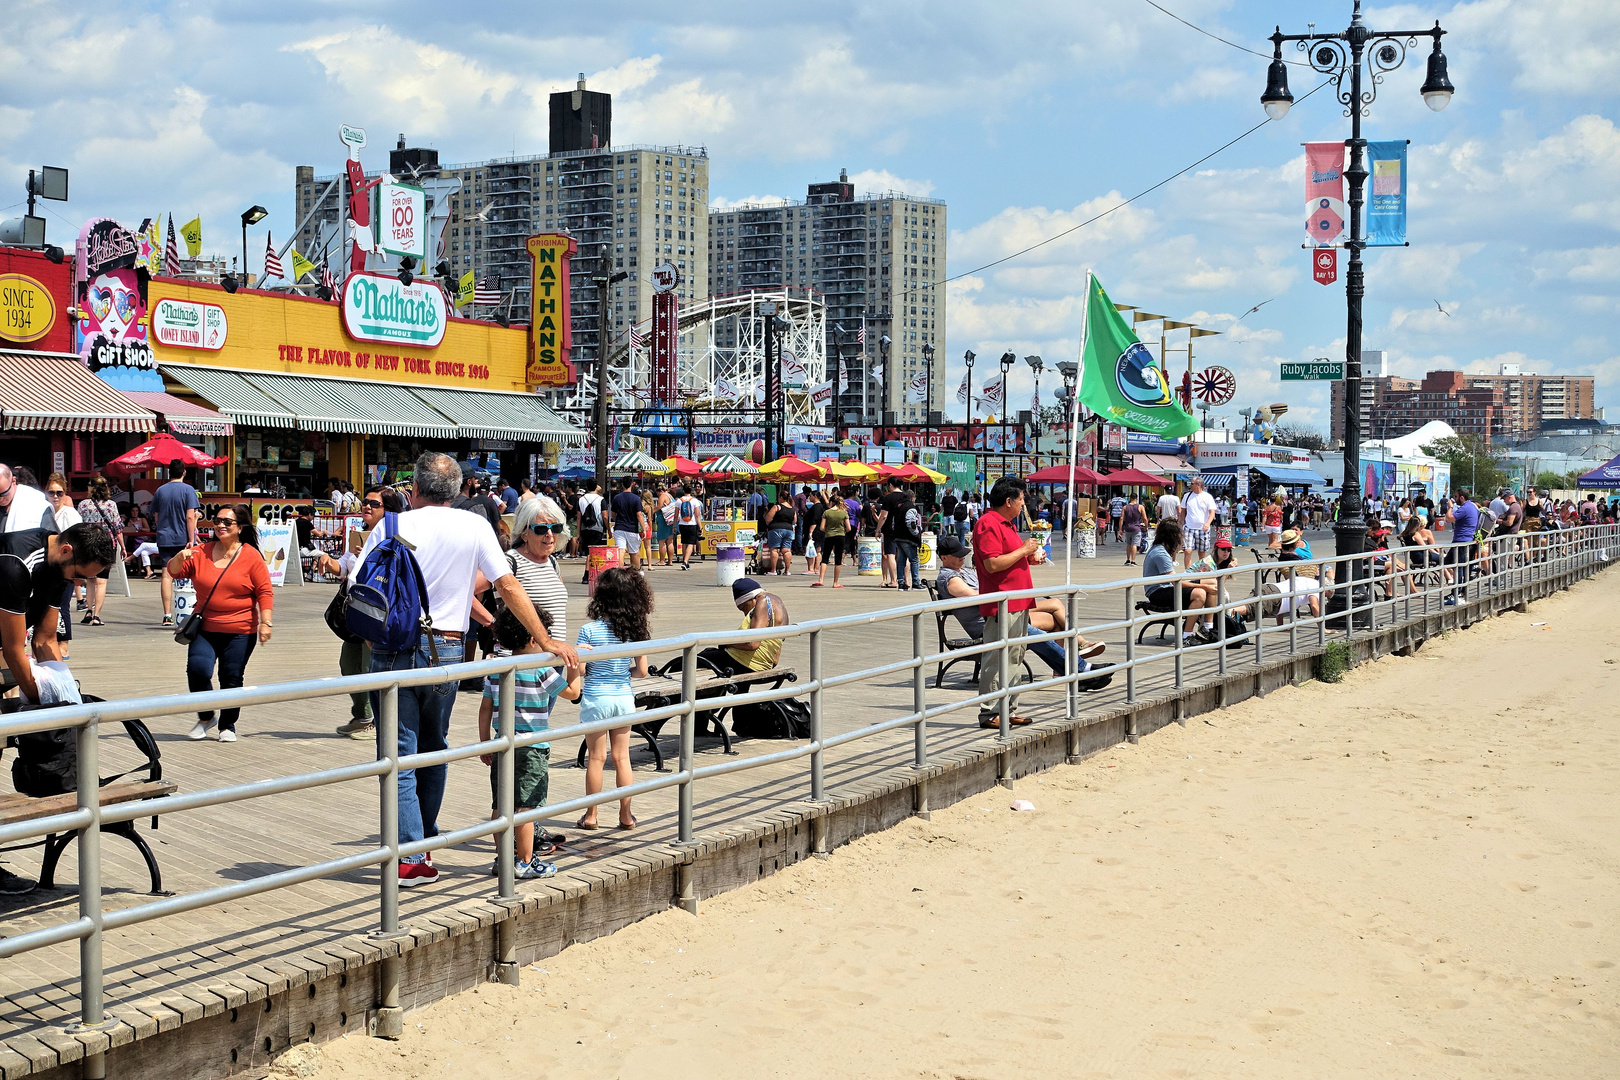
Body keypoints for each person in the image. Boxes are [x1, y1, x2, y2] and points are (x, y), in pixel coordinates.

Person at [359, 452, 577, 888]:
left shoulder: (392, 525)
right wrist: (546, 639)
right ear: (460, 491)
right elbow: (507, 585)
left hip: (394, 647)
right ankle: (425, 836)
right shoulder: (476, 525)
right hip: (448, 646)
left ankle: (411, 857)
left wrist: (370, 637)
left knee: (399, 757)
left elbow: (360, 586)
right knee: (435, 746)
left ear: (414, 489)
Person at [478, 605, 582, 879]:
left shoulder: (497, 668)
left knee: (501, 806)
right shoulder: (540, 669)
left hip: (502, 744)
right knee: (526, 808)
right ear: (534, 638)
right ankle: (524, 861)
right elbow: (572, 693)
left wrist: (484, 742)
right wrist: (574, 666)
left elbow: (485, 709)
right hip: (532, 748)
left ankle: (503, 859)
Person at [935, 535, 1109, 683]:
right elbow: (977, 597)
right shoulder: (949, 578)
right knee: (1045, 627)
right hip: (989, 623)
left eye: (963, 554)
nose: (961, 558)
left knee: (1055, 614)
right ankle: (1080, 666)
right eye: (957, 555)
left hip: (1003, 612)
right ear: (944, 558)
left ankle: (1070, 667)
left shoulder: (966, 572)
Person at [167, 506, 273, 743]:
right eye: (217, 521)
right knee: (197, 670)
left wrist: (266, 622)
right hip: (205, 627)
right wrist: (178, 558)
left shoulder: (251, 556)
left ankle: (228, 725)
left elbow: (265, 591)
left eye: (227, 521)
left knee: (231, 677)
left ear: (240, 527)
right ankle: (206, 717)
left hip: (241, 630)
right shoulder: (200, 551)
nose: (221, 525)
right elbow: (175, 572)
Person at [321, 486, 405, 739]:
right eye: (365, 502)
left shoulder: (398, 535)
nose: (366, 507)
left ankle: (380, 722)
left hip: (379, 613)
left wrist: (374, 555)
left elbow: (406, 563)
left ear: (388, 509)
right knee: (348, 665)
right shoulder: (359, 536)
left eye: (374, 504)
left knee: (373, 667)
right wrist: (328, 561)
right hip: (355, 612)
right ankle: (363, 715)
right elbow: (344, 568)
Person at [574, 567, 652, 831]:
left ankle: (592, 815)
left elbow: (582, 670)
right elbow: (641, 671)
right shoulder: (634, 630)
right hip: (623, 697)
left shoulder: (588, 631)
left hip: (596, 697)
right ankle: (626, 815)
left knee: (596, 758)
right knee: (622, 758)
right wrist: (622, 672)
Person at [971, 477, 1047, 729]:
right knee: (997, 656)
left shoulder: (1006, 524)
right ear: (1008, 501)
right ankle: (990, 711)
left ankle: (1009, 707)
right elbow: (992, 564)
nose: (1024, 505)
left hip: (1018, 600)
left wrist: (1029, 557)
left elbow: (1008, 559)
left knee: (1015, 656)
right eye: (1022, 500)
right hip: (1002, 601)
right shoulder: (988, 524)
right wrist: (1023, 551)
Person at [699, 577, 788, 676]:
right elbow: (776, 658)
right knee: (710, 654)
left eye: (744, 607)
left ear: (753, 598)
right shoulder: (778, 602)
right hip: (764, 664)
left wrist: (726, 643)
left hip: (747, 663)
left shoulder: (762, 602)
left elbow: (752, 644)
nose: (746, 613)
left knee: (693, 660)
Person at [1141, 520, 1211, 644]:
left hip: (1165, 588)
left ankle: (1208, 628)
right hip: (1158, 592)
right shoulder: (1160, 553)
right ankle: (1186, 635)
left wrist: (1205, 584)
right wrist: (1202, 586)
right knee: (1199, 593)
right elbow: (1175, 582)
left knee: (1211, 583)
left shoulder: (1159, 549)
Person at [151, 461, 201, 626]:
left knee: (166, 575)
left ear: (168, 473)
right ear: (184, 472)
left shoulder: (160, 491)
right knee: (191, 573)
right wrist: (191, 540)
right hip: (182, 538)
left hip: (165, 537)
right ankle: (191, 609)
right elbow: (190, 516)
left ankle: (167, 614)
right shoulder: (188, 490)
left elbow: (156, 517)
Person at [75, 475, 122, 627]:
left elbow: (79, 525)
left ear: (92, 488)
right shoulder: (111, 505)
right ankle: (96, 615)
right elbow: (117, 528)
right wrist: (123, 546)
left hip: (88, 544)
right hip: (106, 544)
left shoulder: (83, 505)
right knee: (101, 582)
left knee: (90, 579)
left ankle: (88, 611)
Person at [44, 474, 81, 657]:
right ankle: (47, 640)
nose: (55, 496)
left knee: (63, 604)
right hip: (45, 565)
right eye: (51, 492)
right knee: (46, 604)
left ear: (65, 493)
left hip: (65, 565)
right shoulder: (43, 512)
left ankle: (64, 642)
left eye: (59, 492)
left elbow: (78, 541)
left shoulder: (71, 514)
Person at [1443, 488, 1479, 606]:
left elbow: (1448, 519)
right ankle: (1458, 590)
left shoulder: (1465, 508)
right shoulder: (1472, 506)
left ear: (1462, 497)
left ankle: (1457, 592)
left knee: (1458, 566)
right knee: (1449, 562)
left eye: (1456, 496)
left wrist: (1450, 506)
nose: (1455, 499)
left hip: (1462, 541)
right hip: (1465, 540)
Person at [875, 478, 908, 588]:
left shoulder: (888, 498)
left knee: (890, 554)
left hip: (890, 529)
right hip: (904, 528)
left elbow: (883, 516)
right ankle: (906, 580)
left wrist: (878, 529)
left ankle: (894, 580)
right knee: (903, 554)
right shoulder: (906, 497)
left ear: (890, 485)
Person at [1178, 476, 1217, 570]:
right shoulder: (1187, 496)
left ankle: (1201, 571)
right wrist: (1182, 522)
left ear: (1198, 485)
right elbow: (1183, 510)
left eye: (1192, 483)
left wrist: (1207, 523)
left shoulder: (1207, 497)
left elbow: (1212, 512)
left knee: (1202, 552)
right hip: (1189, 527)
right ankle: (1188, 572)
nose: (1190, 485)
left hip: (1202, 528)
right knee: (1187, 551)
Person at [610, 478, 646, 571]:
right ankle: (636, 573)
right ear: (631, 485)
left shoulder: (616, 498)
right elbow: (639, 515)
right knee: (634, 552)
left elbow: (613, 514)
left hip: (619, 528)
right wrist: (643, 528)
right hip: (632, 529)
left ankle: (620, 572)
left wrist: (617, 520)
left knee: (620, 551)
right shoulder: (636, 499)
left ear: (622, 485)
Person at [815, 492, 850, 588]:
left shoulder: (827, 512)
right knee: (838, 559)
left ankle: (821, 579)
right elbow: (849, 528)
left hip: (829, 536)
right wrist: (843, 531)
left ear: (832, 503)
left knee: (825, 557)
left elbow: (822, 527)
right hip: (840, 536)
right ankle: (835, 582)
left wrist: (828, 530)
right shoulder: (843, 513)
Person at [891, 488, 923, 590]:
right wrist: (916, 534)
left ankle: (901, 583)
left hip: (898, 537)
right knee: (914, 560)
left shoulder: (897, 506)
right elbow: (911, 523)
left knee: (901, 560)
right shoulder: (911, 507)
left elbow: (893, 522)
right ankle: (916, 582)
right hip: (908, 538)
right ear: (912, 498)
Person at [576, 479, 606, 581]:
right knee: (594, 553)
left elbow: (579, 517)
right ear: (596, 486)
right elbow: (605, 516)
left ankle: (588, 574)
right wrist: (608, 530)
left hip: (585, 529)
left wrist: (578, 533)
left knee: (589, 552)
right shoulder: (601, 499)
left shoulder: (581, 500)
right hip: (597, 528)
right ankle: (590, 574)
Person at [763, 490, 795, 576]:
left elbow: (768, 519)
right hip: (788, 530)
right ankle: (787, 571)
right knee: (787, 550)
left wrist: (770, 524)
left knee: (774, 549)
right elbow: (794, 521)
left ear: (781, 497)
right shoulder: (792, 508)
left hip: (776, 529)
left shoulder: (777, 507)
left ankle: (773, 570)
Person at [674, 486, 703, 569]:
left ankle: (685, 561)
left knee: (684, 543)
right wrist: (700, 527)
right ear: (691, 491)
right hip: (692, 524)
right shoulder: (695, 501)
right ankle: (685, 561)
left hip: (682, 524)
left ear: (683, 491)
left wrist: (674, 526)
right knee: (691, 544)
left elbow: (676, 515)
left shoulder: (679, 501)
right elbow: (697, 515)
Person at [654, 483, 676, 567]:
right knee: (670, 541)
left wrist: (650, 511)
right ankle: (670, 561)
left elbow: (659, 507)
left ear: (660, 491)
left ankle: (662, 560)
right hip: (671, 520)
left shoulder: (662, 496)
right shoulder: (670, 496)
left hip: (664, 521)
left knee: (661, 541)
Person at [1120, 494, 1146, 565]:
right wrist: (1146, 527)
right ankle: (1133, 561)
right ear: (1137, 498)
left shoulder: (1125, 507)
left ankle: (1128, 560)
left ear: (1130, 498)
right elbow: (1145, 518)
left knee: (1128, 544)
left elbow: (1121, 518)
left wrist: (1120, 529)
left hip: (1128, 528)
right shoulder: (1140, 507)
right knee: (1134, 544)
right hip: (1136, 528)